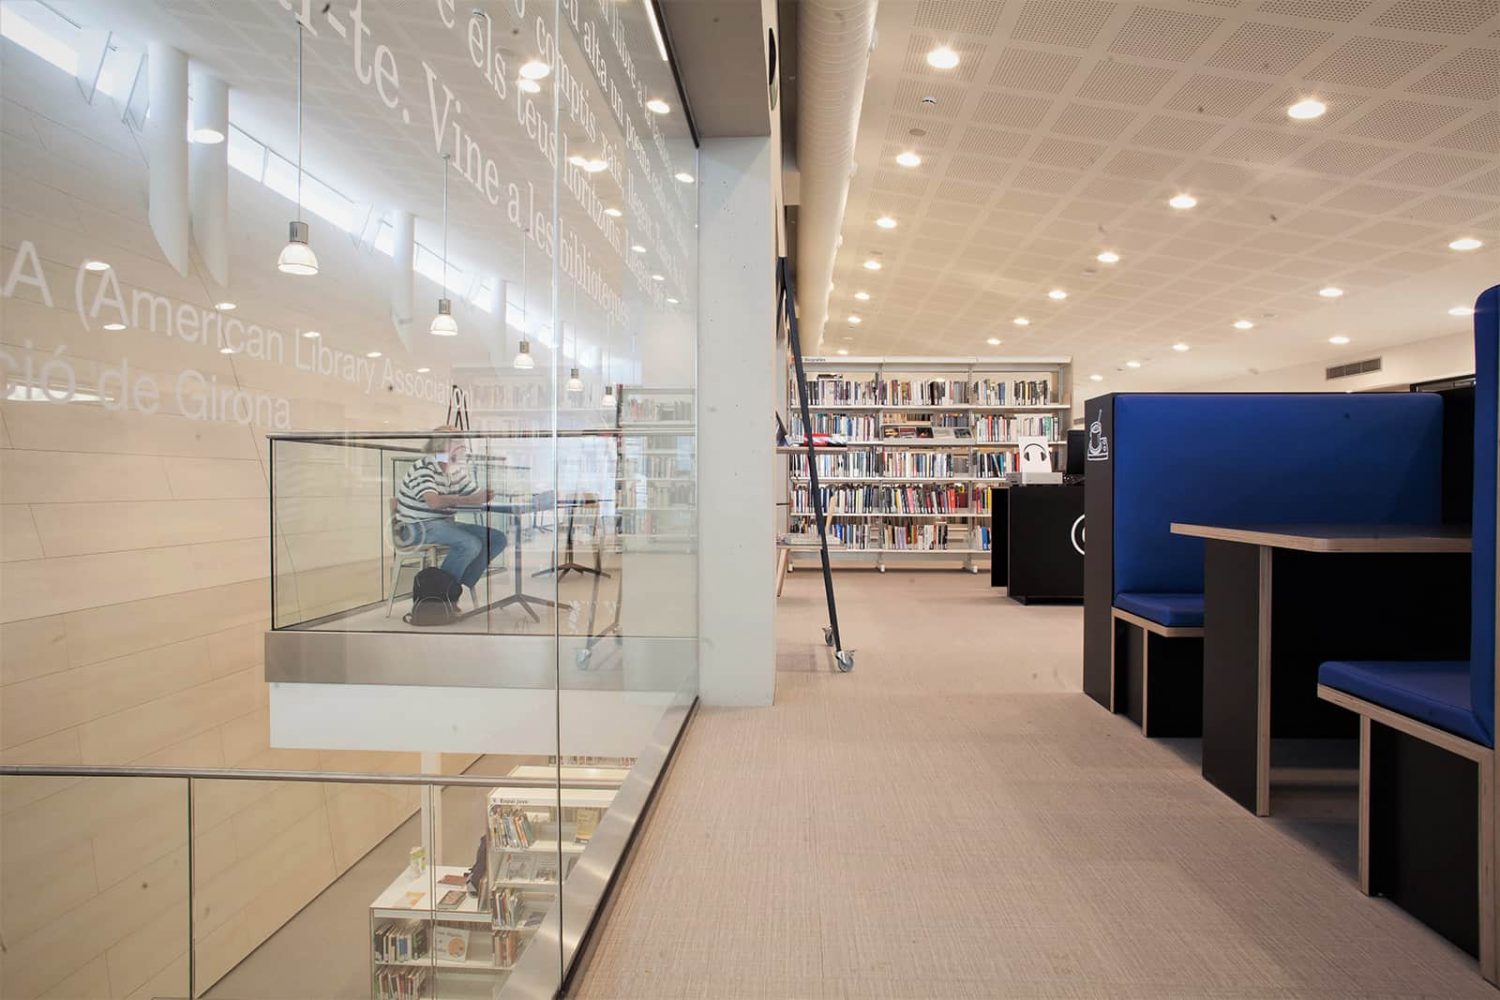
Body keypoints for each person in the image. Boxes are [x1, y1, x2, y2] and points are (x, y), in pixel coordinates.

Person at [396, 427, 507, 610]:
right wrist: (471, 499)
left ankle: (452, 589)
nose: (463, 447)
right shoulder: (423, 468)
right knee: (470, 544)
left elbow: (475, 494)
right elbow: (433, 501)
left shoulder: (454, 470)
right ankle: (438, 600)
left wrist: (489, 493)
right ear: (442, 446)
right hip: (416, 527)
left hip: (444, 525)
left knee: (496, 539)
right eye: (458, 443)